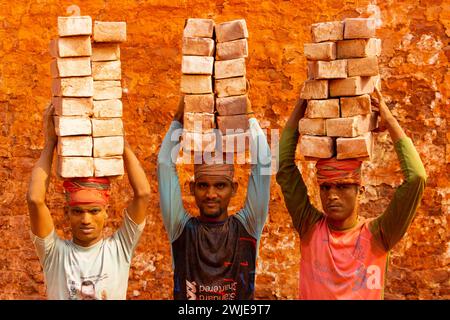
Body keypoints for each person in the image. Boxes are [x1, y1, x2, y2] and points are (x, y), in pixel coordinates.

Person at [276, 87, 427, 299]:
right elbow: (284, 166)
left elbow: (417, 178)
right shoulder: (309, 225)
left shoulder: (379, 235)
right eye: (326, 187)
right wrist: (302, 104)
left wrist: (390, 120)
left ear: (360, 191)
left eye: (343, 186)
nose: (332, 195)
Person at [27, 104, 151, 300]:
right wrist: (50, 142)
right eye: (77, 212)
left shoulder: (120, 248)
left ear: (106, 212)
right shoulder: (55, 254)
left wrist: (121, 142)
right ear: (67, 213)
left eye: (94, 211)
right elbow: (35, 200)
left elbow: (143, 194)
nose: (86, 219)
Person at [157, 97, 271, 300]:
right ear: (192, 188)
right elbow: (165, 163)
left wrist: (249, 113)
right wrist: (181, 114)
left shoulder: (249, 226)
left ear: (234, 188)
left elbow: (263, 163)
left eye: (220, 186)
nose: (211, 195)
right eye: (203, 186)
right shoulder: (180, 229)